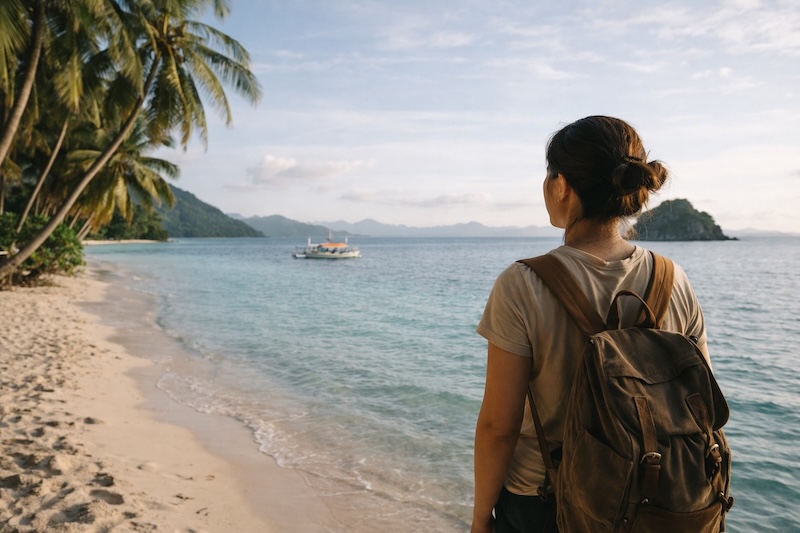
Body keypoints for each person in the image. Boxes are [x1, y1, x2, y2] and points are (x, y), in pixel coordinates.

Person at [471, 116, 709, 533]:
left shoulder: (523, 284)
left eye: (549, 174)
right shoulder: (674, 280)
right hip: (654, 502)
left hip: (545, 502)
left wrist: (479, 520)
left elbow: (498, 428)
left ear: (562, 185)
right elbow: (703, 405)